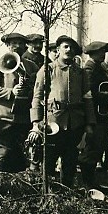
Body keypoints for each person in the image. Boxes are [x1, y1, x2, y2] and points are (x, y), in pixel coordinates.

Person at [30, 35, 96, 188]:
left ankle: (66, 192)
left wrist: (89, 123)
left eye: (72, 48)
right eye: (65, 46)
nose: (69, 50)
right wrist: (36, 123)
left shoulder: (80, 72)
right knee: (49, 161)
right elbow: (37, 96)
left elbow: (87, 98)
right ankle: (47, 193)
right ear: (57, 50)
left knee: (70, 160)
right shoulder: (47, 69)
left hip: (75, 124)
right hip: (53, 123)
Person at [0, 32, 37, 172]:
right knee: (5, 155)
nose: (17, 46)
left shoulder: (31, 66)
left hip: (24, 118)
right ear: (7, 45)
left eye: (20, 43)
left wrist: (28, 90)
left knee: (21, 156)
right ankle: (1, 186)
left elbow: (39, 89)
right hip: (4, 118)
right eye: (13, 43)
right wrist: (10, 92)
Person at [79, 41, 108, 189]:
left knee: (98, 147)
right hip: (93, 114)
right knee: (92, 148)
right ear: (93, 53)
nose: (103, 54)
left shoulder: (98, 68)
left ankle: (91, 181)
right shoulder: (89, 68)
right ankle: (88, 183)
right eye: (101, 52)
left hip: (101, 114)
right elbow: (89, 92)